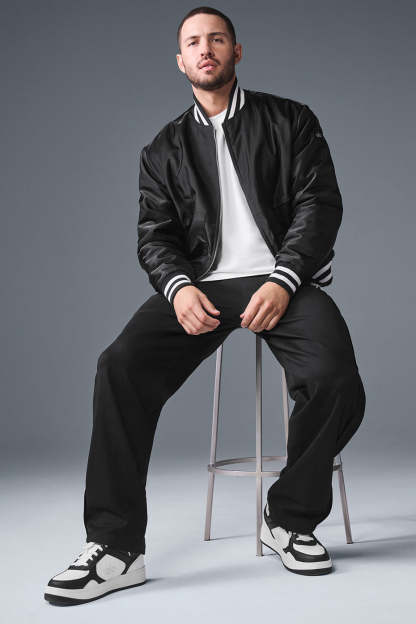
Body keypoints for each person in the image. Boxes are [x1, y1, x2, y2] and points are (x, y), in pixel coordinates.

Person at [44, 6, 366, 605]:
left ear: (236, 52)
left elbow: (318, 204)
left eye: (217, 39)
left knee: (336, 381)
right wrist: (178, 286)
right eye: (193, 42)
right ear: (180, 61)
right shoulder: (163, 148)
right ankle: (116, 548)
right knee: (118, 368)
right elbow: (155, 235)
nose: (205, 49)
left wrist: (285, 278)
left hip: (285, 282)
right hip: (203, 287)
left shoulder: (290, 120)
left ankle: (288, 519)